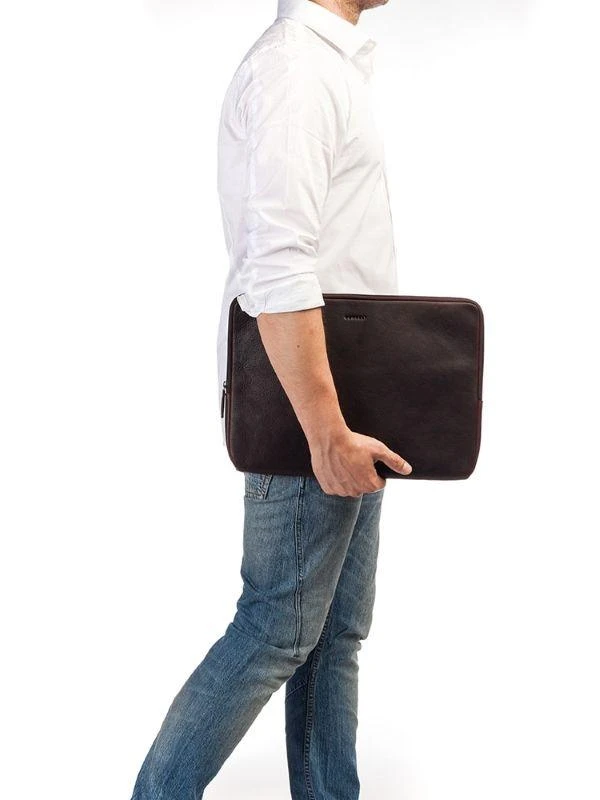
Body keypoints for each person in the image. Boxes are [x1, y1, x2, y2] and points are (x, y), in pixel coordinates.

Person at [130, 1, 411, 798]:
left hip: (349, 409)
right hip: (311, 416)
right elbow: (278, 269)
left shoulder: (327, 64)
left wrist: (343, 428)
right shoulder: (296, 70)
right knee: (276, 629)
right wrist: (325, 434)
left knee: (333, 637)